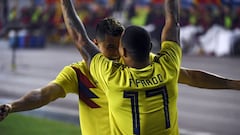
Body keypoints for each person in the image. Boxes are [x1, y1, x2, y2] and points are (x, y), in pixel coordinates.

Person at [1, 1, 240, 135]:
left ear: (126, 46)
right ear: (97, 45)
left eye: (119, 46)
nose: (116, 53)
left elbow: (190, 76)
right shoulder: (80, 73)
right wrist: (13, 106)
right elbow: (45, 94)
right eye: (109, 47)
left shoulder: (118, 71)